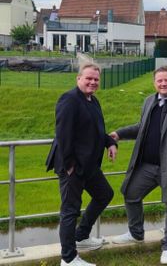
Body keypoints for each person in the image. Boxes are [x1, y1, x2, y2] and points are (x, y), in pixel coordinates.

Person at [110, 66, 167, 265]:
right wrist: (119, 133)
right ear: (154, 83)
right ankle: (136, 234)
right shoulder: (149, 101)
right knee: (130, 193)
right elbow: (141, 127)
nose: (163, 84)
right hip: (147, 166)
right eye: (159, 81)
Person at [46, 61, 117, 266]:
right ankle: (68, 259)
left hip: (89, 166)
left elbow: (95, 129)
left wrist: (109, 142)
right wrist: (70, 166)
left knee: (105, 194)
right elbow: (64, 135)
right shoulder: (69, 100)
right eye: (88, 78)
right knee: (70, 211)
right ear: (78, 79)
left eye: (96, 79)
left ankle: (82, 236)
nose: (93, 82)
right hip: (73, 166)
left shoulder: (92, 100)